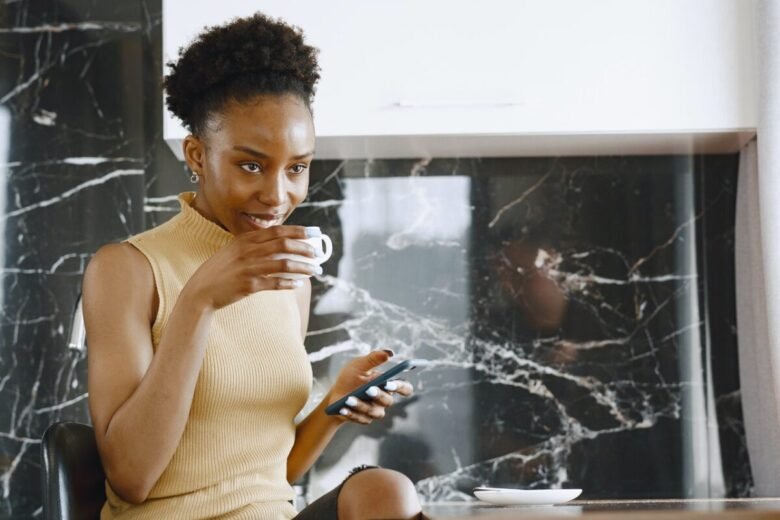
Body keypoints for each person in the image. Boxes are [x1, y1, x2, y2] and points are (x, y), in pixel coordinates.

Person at [82, 12, 425, 520]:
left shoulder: (290, 281)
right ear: (197, 155)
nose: (276, 194)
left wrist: (334, 405)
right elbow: (132, 478)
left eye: (298, 168)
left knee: (385, 491)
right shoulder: (128, 269)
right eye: (251, 165)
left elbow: (270, 476)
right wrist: (200, 300)